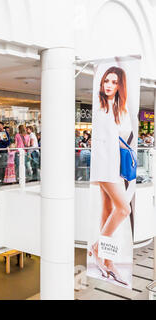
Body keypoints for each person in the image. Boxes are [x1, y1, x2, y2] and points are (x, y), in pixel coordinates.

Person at [89, 66, 133, 286]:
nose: (108, 85)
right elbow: (99, 141)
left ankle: (107, 261)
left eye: (114, 82)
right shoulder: (100, 105)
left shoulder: (114, 107)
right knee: (124, 209)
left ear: (119, 85)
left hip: (111, 166)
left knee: (107, 211)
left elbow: (111, 138)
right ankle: (98, 247)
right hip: (105, 167)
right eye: (107, 80)